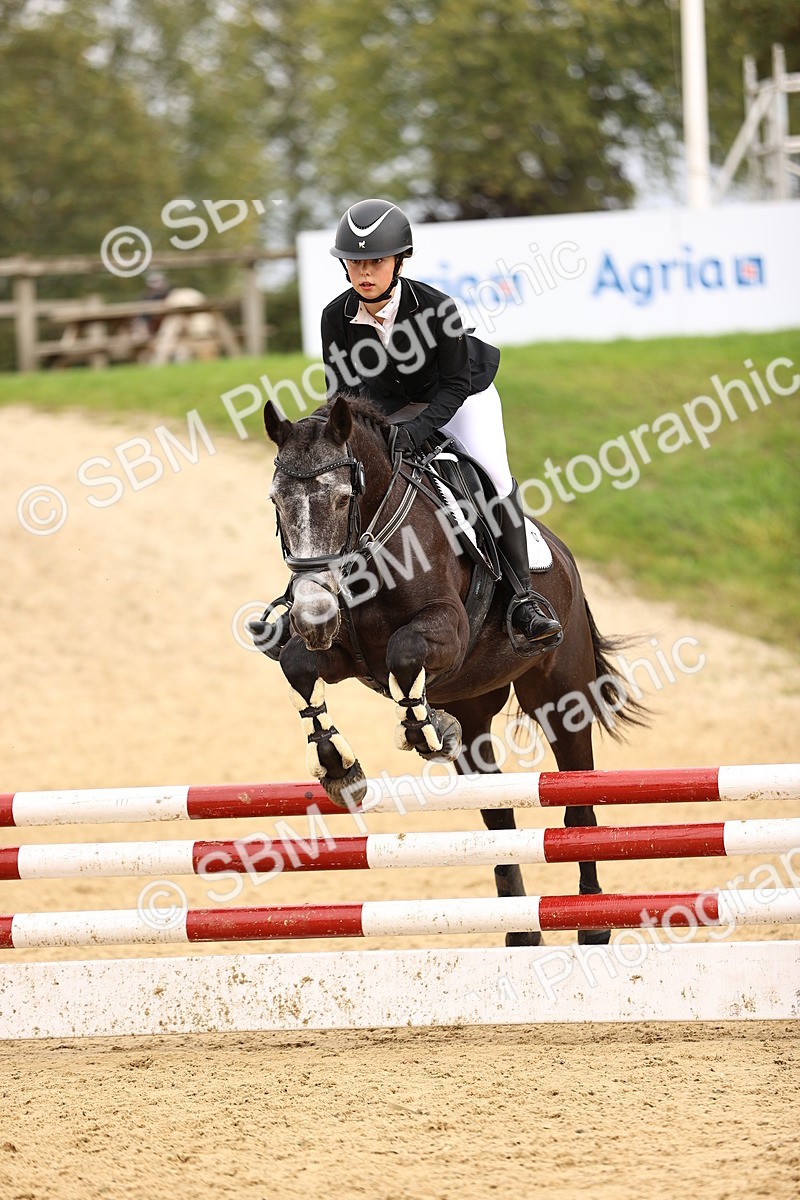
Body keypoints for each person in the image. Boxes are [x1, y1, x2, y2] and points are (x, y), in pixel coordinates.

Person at [261, 198, 562, 659]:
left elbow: (456, 383)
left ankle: (523, 599)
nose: (365, 272)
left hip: (463, 397)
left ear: (399, 260)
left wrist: (420, 430)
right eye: (355, 262)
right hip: (388, 408)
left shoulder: (436, 307)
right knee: (342, 485)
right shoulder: (334, 318)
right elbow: (343, 395)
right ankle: (311, 598)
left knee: (493, 480)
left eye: (376, 261)